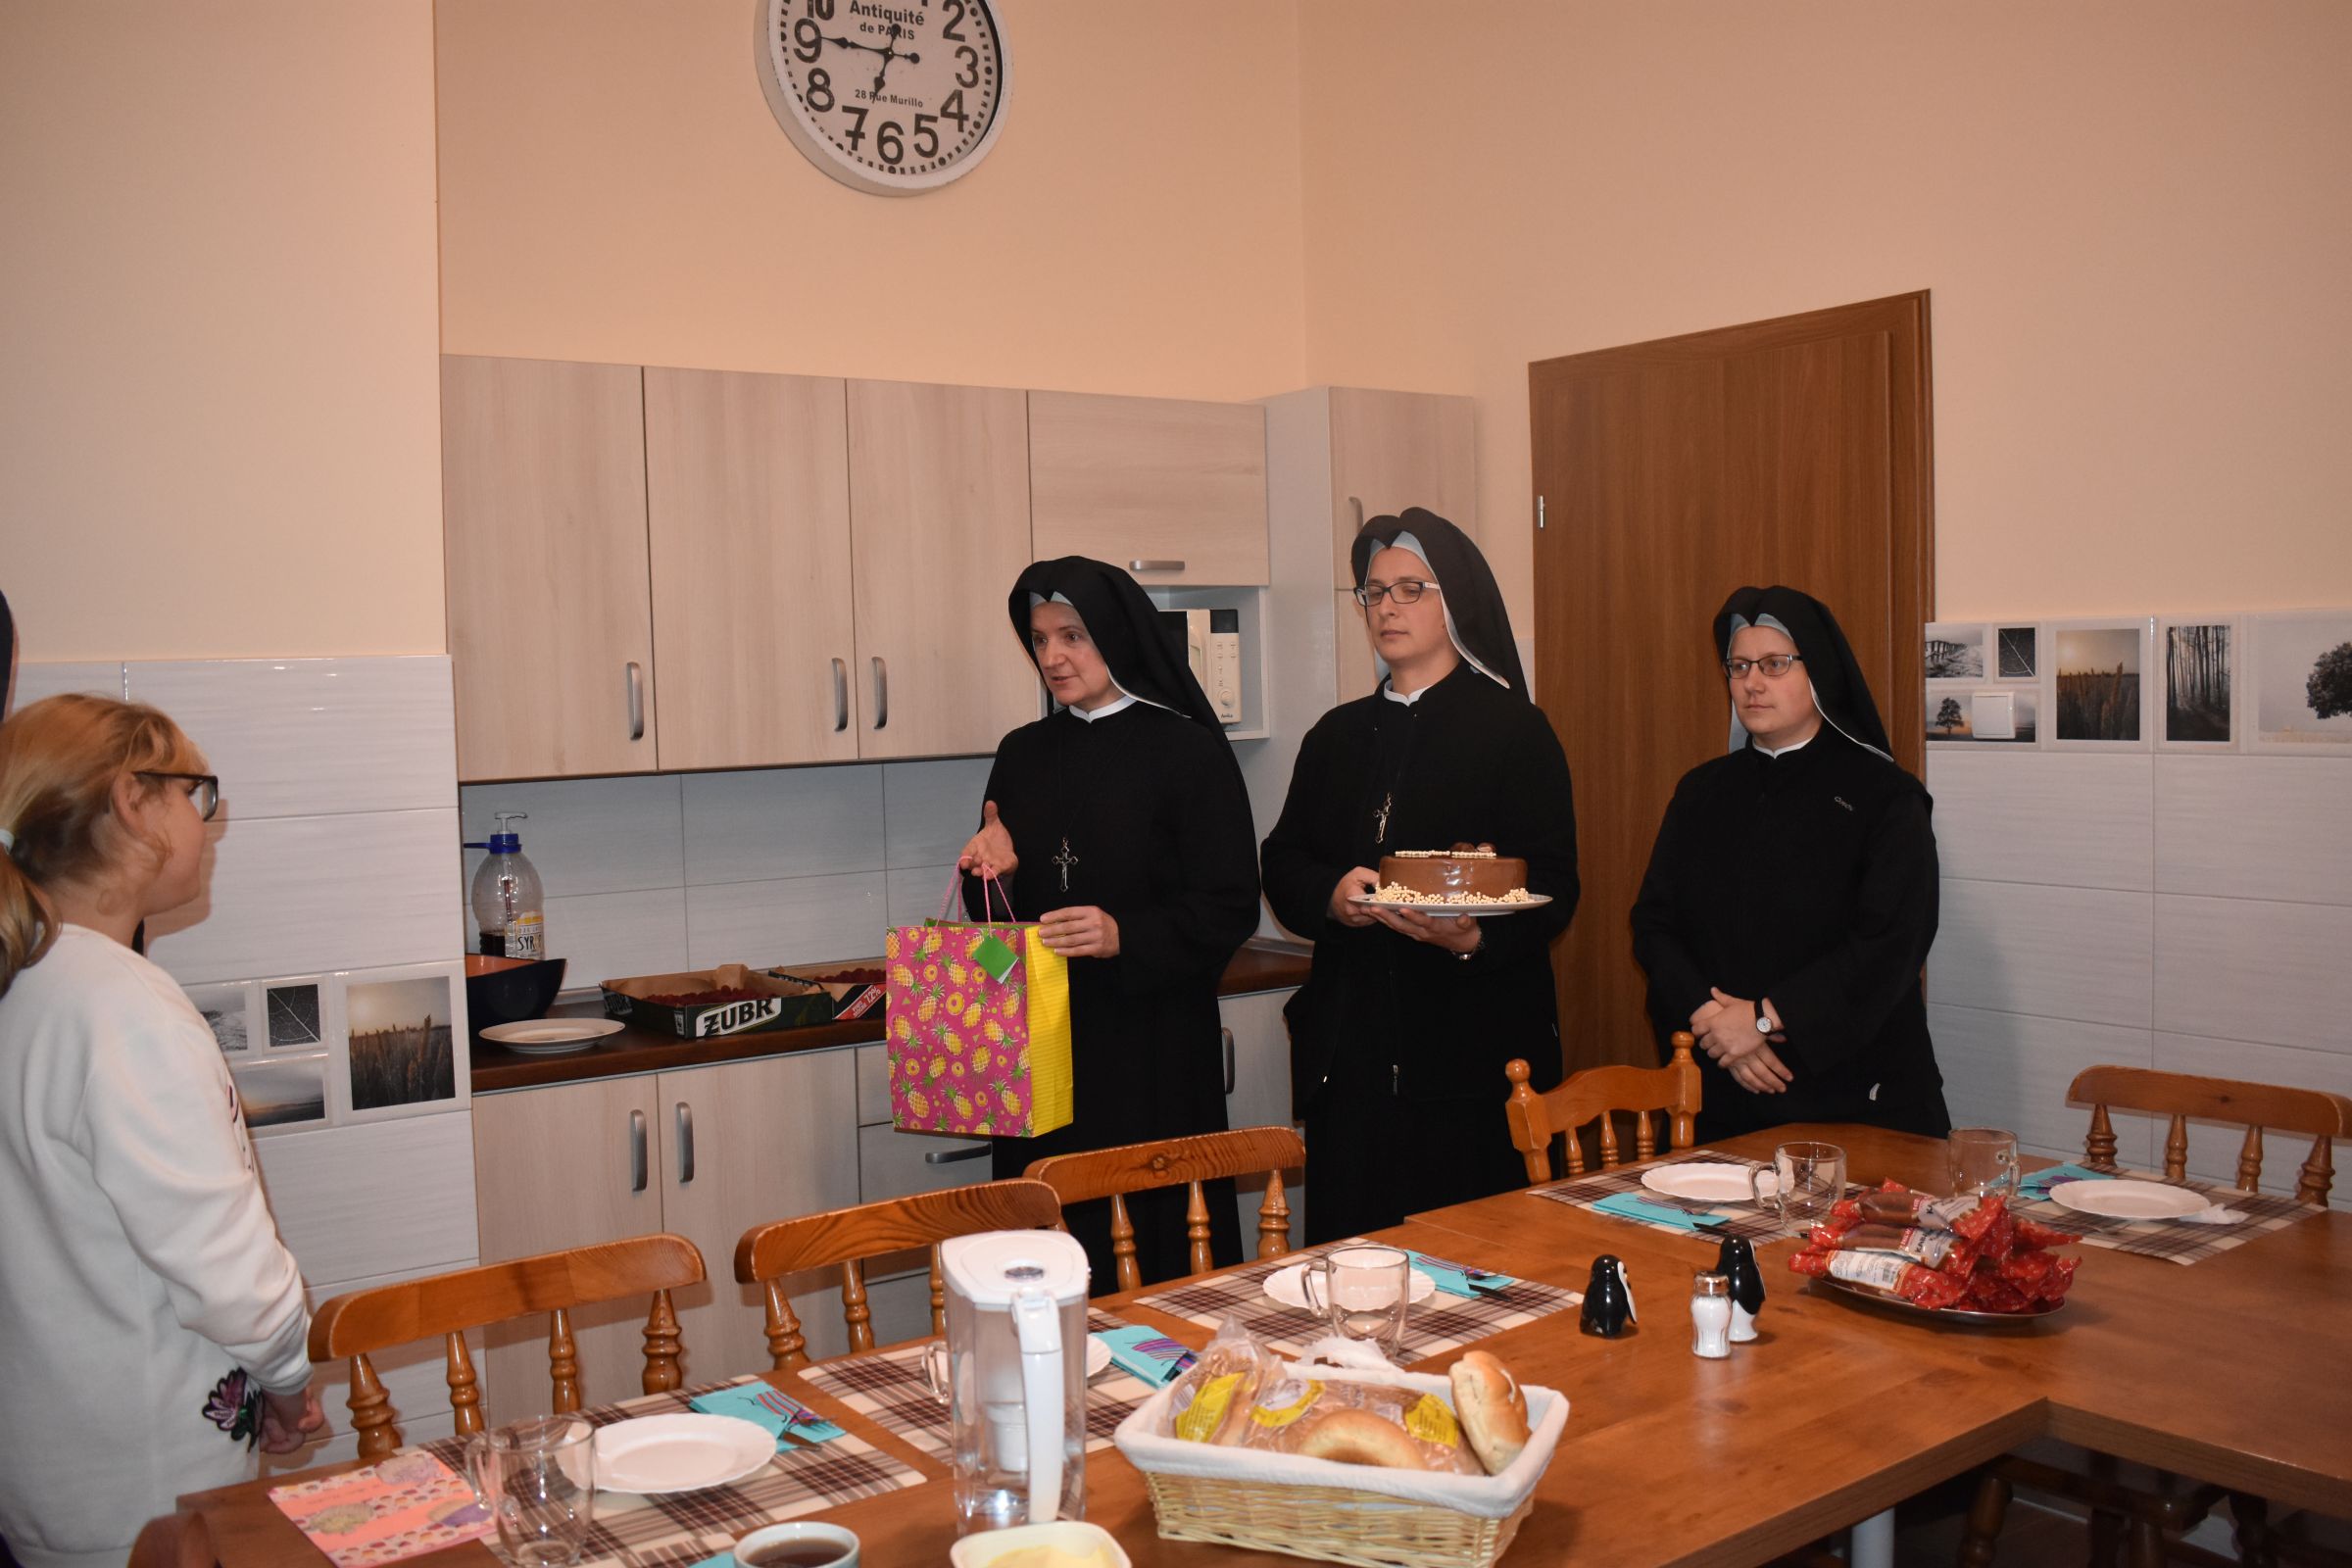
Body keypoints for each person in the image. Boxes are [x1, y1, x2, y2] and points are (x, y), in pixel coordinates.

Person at [0, 695, 323, 1568]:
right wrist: (288, 1379)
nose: (203, 820)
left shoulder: (26, 984)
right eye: (192, 792)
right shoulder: (126, 1010)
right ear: (131, 802)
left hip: (48, 1475)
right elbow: (226, 1267)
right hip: (148, 1497)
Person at [1261, 510, 1580, 1243]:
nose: (1388, 607)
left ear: (1455, 600)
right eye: (1374, 593)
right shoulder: (1336, 734)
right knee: (1350, 1263)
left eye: (1411, 589)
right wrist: (1331, 896)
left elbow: (1557, 883)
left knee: (1472, 1265)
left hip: (1470, 1055)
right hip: (1353, 1059)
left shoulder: (1514, 730)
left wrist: (1471, 938)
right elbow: (1283, 858)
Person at [956, 558, 1260, 1289]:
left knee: (1153, 1260)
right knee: (1045, 1260)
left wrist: (1125, 936)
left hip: (1151, 1050)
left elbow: (1230, 905)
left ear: (1117, 636)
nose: (1053, 657)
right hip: (1042, 1048)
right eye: (1039, 640)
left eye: (1073, 636)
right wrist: (994, 874)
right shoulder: (1022, 753)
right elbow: (995, 926)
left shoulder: (1187, 751)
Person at [1631, 586, 1951, 1142]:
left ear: (1819, 671)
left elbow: (1890, 943)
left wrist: (1764, 1017)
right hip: (1724, 1088)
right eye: (1739, 666)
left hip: (1852, 1098)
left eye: (1775, 664)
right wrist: (1715, 1025)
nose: (1752, 683)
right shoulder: (1700, 792)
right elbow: (1654, 925)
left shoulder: (1885, 798)